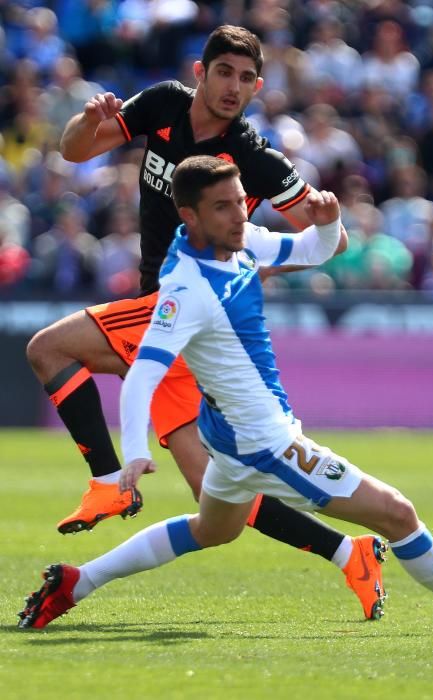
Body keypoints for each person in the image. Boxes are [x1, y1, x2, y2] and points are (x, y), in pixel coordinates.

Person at [18, 156, 433, 634]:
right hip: (267, 444)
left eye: (238, 202)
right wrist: (134, 450)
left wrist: (329, 221)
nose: (240, 215)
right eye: (224, 207)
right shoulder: (185, 290)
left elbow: (311, 249)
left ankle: (77, 583)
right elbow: (142, 374)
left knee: (212, 529)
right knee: (397, 513)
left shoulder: (236, 239)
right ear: (190, 217)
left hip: (226, 435)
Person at [25, 25, 384, 620]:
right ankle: (349, 552)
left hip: (184, 304)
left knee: (49, 348)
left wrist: (251, 264)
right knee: (215, 503)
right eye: (224, 72)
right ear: (201, 71)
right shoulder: (163, 105)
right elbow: (74, 150)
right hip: (166, 313)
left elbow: (331, 241)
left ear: (258, 86)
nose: (233, 87)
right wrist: (88, 121)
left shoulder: (256, 158)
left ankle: (110, 479)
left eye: (246, 79)